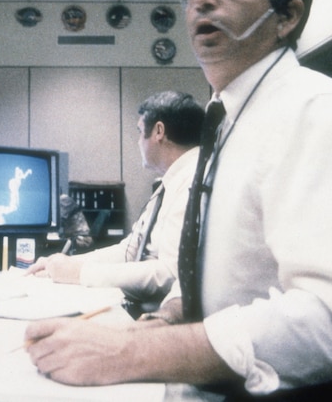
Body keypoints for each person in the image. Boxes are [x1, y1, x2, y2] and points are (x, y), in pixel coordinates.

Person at [24, 0, 332, 398]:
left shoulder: (324, 114)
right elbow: (225, 276)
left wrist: (128, 355)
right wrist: (166, 318)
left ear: (287, 16)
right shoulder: (229, 123)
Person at [25, 91, 203, 311]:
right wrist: (68, 264)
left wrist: (81, 274)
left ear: (159, 131)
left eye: (140, 132)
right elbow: (130, 250)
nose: (138, 142)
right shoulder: (171, 182)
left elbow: (170, 273)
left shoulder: (193, 184)